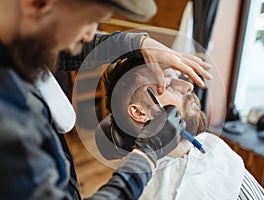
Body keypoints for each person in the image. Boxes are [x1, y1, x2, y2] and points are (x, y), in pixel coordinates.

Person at [0, 0, 213, 199]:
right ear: (37, 3)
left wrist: (140, 44)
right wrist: (146, 155)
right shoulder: (8, 119)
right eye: (90, 21)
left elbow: (59, 48)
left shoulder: (19, 44)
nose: (90, 35)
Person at [96, 57, 264, 200]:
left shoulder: (211, 144)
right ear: (140, 112)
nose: (188, 86)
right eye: (168, 84)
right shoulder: (144, 190)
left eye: (179, 79)